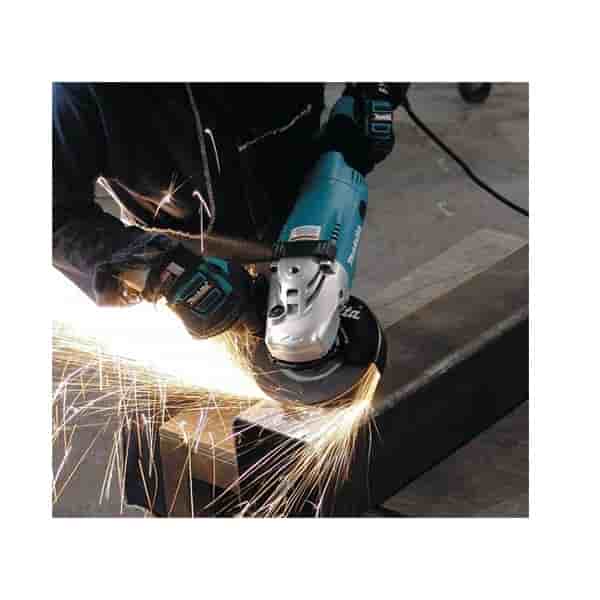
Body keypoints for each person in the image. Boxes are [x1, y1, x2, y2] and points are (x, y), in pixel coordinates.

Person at [53, 82, 404, 339]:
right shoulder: (80, 89)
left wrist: (376, 91)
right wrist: (156, 267)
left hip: (301, 205)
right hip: (189, 265)